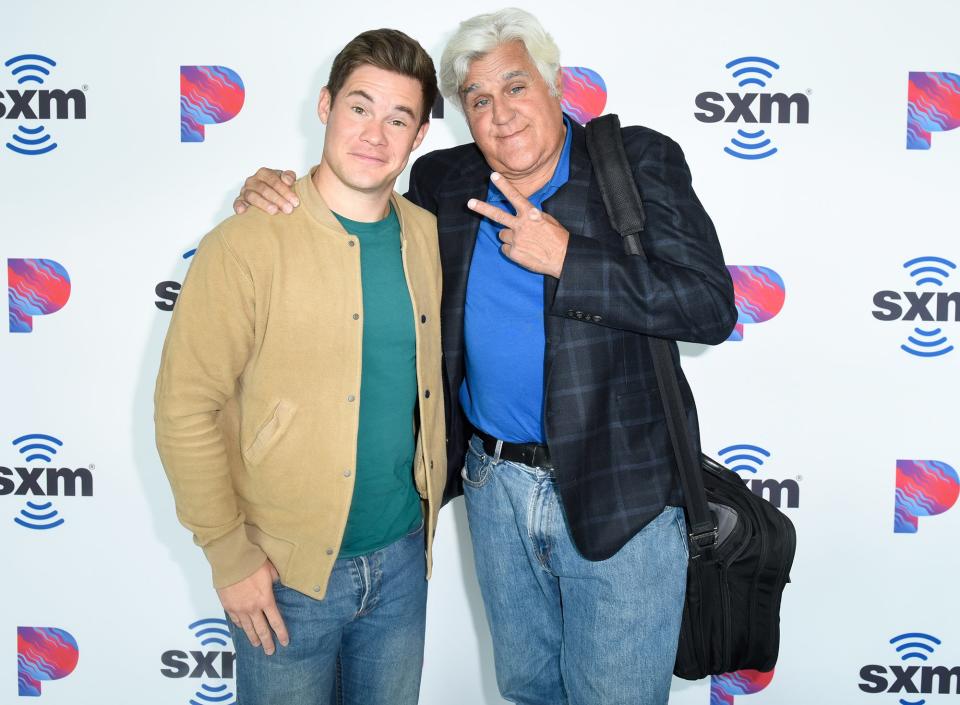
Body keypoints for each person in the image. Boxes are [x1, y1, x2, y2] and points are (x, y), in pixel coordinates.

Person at [234, 9, 737, 704]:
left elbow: (710, 306)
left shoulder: (636, 162)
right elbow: (355, 220)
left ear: (554, 86)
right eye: (478, 99)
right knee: (528, 689)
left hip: (624, 495)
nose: (500, 113)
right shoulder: (445, 181)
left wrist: (569, 259)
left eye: (515, 87)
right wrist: (275, 190)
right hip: (494, 486)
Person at [154, 28, 446, 705]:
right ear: (325, 106)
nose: (376, 133)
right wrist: (230, 554)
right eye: (359, 107)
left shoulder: (429, 235)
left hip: (403, 561)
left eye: (398, 117)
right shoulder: (246, 242)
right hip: (284, 572)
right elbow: (183, 407)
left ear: (421, 134)